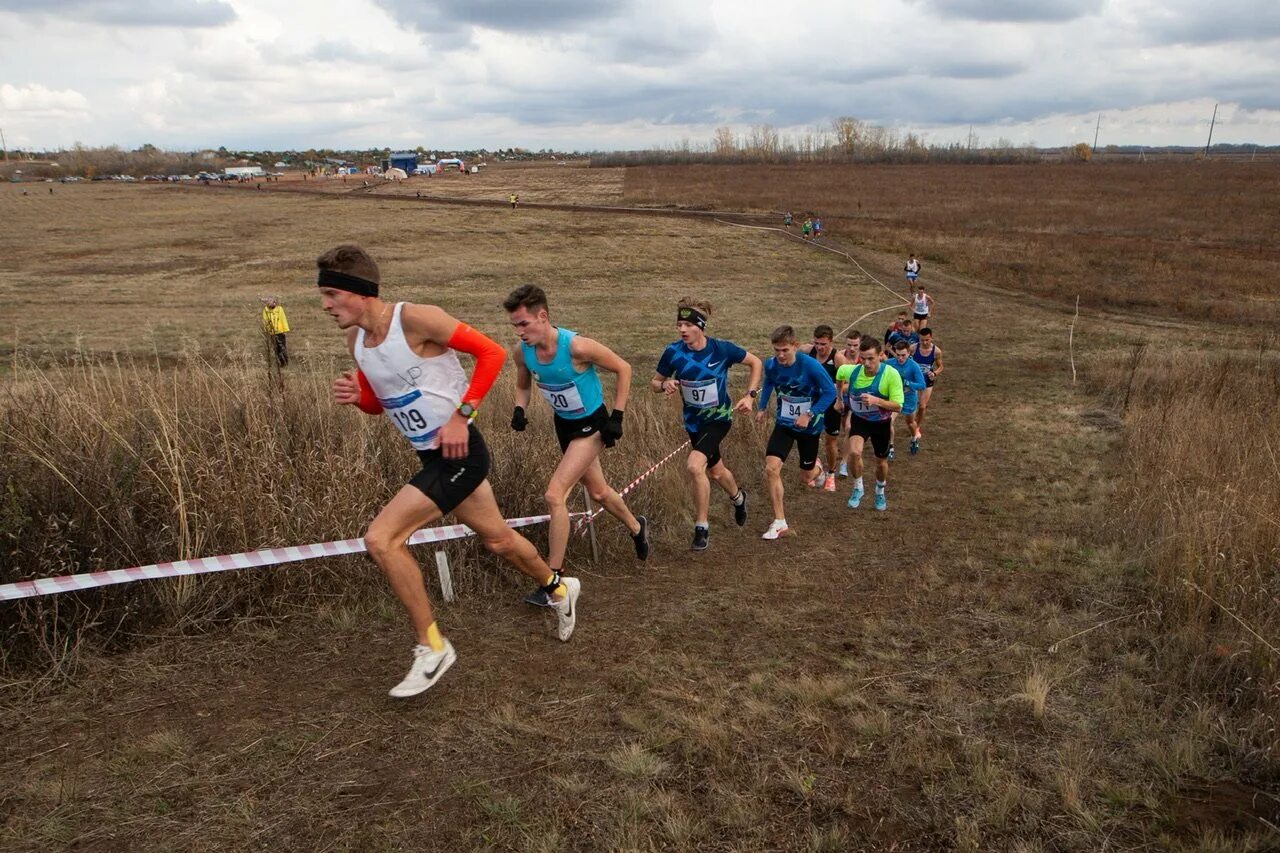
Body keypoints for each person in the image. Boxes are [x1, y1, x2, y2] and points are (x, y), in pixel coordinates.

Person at [319, 245, 579, 698]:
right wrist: (356, 399)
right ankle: (559, 589)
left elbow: (492, 353)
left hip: (462, 452)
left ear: (360, 293)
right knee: (498, 538)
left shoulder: (416, 319)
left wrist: (463, 415)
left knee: (382, 539)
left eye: (331, 294)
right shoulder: (355, 343)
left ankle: (432, 645)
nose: (325, 306)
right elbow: (383, 404)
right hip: (431, 455)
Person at [506, 284, 648, 603]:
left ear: (543, 316)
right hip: (564, 426)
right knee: (598, 491)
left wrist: (618, 416)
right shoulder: (522, 352)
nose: (519, 331)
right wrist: (519, 408)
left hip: (593, 425)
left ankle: (553, 581)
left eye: (523, 323)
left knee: (555, 494)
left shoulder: (577, 347)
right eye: (514, 325)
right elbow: (523, 384)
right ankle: (637, 527)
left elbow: (624, 368)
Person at [652, 299, 761, 550]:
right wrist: (664, 384)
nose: (682, 330)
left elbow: (756, 363)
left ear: (701, 326)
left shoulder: (721, 350)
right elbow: (654, 384)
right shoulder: (673, 352)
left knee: (694, 466)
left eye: (688, 325)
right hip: (693, 423)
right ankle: (738, 498)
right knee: (716, 471)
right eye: (679, 324)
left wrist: (750, 396)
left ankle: (701, 528)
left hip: (719, 419)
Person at [755, 325, 838, 540]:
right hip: (784, 423)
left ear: (795, 346)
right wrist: (762, 408)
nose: (780, 355)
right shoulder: (771, 365)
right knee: (771, 469)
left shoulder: (810, 366)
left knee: (806, 476)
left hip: (809, 426)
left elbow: (831, 392)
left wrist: (809, 414)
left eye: (785, 350)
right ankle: (779, 522)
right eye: (777, 350)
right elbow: (769, 382)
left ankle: (819, 471)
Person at [836, 337, 904, 511]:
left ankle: (880, 490)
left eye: (871, 358)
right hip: (860, 420)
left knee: (881, 462)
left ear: (880, 356)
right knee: (854, 452)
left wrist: (877, 401)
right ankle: (858, 487)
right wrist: (839, 399)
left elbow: (898, 405)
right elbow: (839, 375)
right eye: (863, 358)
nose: (866, 363)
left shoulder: (891, 375)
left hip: (881, 423)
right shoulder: (851, 371)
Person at [799, 325, 842, 492]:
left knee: (830, 441)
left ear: (831, 342)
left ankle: (831, 474)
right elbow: (793, 350)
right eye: (817, 343)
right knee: (809, 435)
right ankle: (814, 464)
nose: (820, 348)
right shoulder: (807, 351)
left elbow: (848, 384)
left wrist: (833, 390)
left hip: (831, 404)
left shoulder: (837, 358)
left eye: (823, 344)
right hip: (811, 404)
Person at [890, 338, 928, 455]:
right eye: (898, 355)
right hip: (894, 397)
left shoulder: (913, 366)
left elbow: (922, 385)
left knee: (910, 422)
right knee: (888, 421)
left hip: (909, 397)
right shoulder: (890, 363)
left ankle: (914, 438)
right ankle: (890, 447)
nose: (900, 358)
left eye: (903, 355)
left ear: (909, 353)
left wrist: (907, 383)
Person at [910, 327, 945, 448]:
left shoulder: (936, 351)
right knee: (913, 405)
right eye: (922, 340)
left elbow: (941, 366)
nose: (924, 342)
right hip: (914, 380)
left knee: (922, 406)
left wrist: (934, 373)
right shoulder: (913, 348)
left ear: (931, 338)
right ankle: (912, 422)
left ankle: (917, 428)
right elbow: (906, 360)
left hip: (927, 380)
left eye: (927, 340)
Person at [835, 329, 862, 478]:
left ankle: (844, 463)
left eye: (855, 345)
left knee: (848, 428)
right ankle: (847, 449)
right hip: (841, 398)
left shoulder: (864, 359)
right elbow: (840, 384)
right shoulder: (839, 357)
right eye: (849, 345)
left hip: (856, 398)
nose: (852, 349)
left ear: (860, 344)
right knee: (842, 428)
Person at [260, 296, 290, 367]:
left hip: (280, 332)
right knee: (275, 348)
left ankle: (284, 362)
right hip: (271, 333)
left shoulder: (279, 309)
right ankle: (279, 362)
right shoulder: (266, 311)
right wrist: (266, 330)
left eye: (273, 302)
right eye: (270, 302)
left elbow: (283, 319)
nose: (272, 303)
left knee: (282, 347)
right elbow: (265, 321)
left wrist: (285, 329)